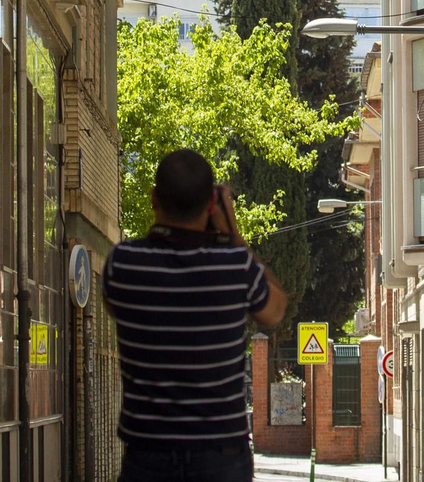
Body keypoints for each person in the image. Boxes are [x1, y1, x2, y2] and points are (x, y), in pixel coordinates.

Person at [103, 148, 289, 482]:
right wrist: (233, 235)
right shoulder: (235, 267)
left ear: (153, 198)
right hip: (221, 459)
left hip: (147, 457)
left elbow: (114, 305)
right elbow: (276, 310)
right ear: (210, 206)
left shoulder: (123, 264)